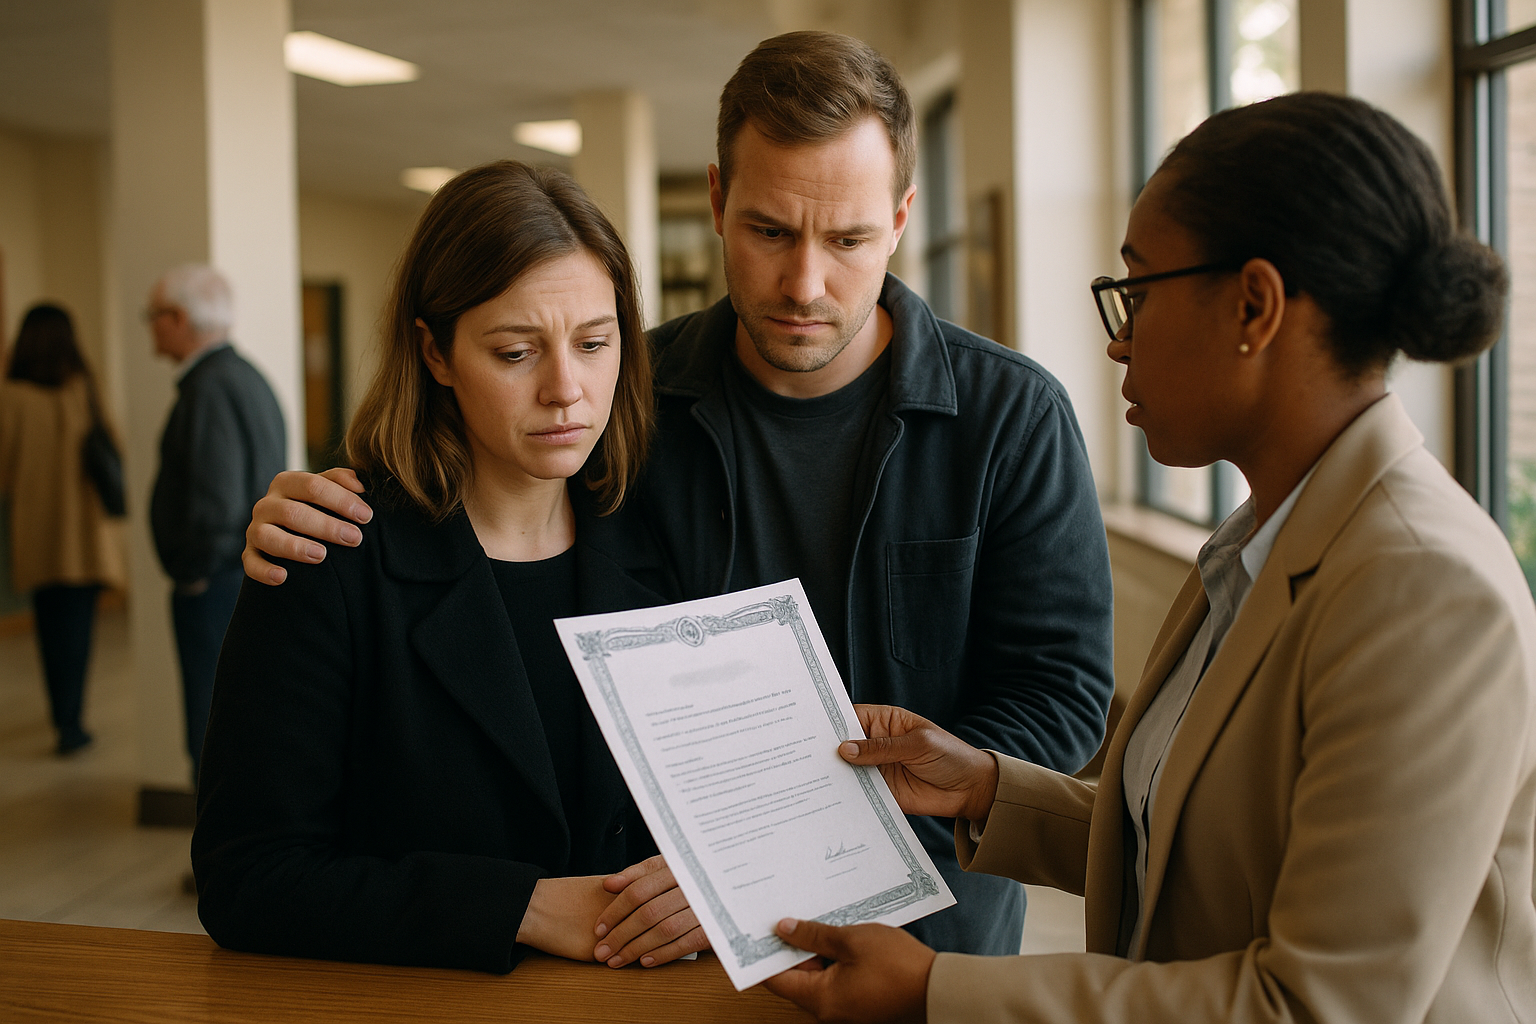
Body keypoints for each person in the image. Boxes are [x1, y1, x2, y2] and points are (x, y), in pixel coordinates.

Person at [236, 30, 1116, 959]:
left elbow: (1057, 696)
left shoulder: (1012, 417)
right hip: (683, 937)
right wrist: (313, 501)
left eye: (850, 239)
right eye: (770, 231)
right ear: (715, 201)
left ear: (901, 218)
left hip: (932, 939)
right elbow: (488, 504)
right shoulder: (627, 401)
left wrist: (806, 854)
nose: (803, 282)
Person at [759, 92, 1536, 1024]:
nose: (1120, 339)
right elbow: (1202, 837)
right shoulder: (1262, 540)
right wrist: (985, 786)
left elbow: (1320, 1005)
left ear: (1255, 304)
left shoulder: (1422, 589)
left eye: (1140, 289)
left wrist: (936, 990)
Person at [192, 161, 708, 974]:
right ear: (435, 353)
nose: (566, 390)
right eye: (514, 352)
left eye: (595, 343)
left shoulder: (667, 542)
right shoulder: (332, 557)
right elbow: (246, 878)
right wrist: (524, 906)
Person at [147, 264, 286, 783]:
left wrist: (196, 573)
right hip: (238, 578)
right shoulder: (245, 375)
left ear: (179, 319)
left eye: (153, 316)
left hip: (215, 585)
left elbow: (215, 500)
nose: (151, 328)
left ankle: (217, 861)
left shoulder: (208, 388)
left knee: (210, 725)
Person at [0, 304, 126, 755]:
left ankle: (62, 715)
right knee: (79, 631)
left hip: (37, 534)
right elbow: (115, 445)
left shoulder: (9, 396)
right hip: (86, 538)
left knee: (49, 628)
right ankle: (71, 721)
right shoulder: (84, 388)